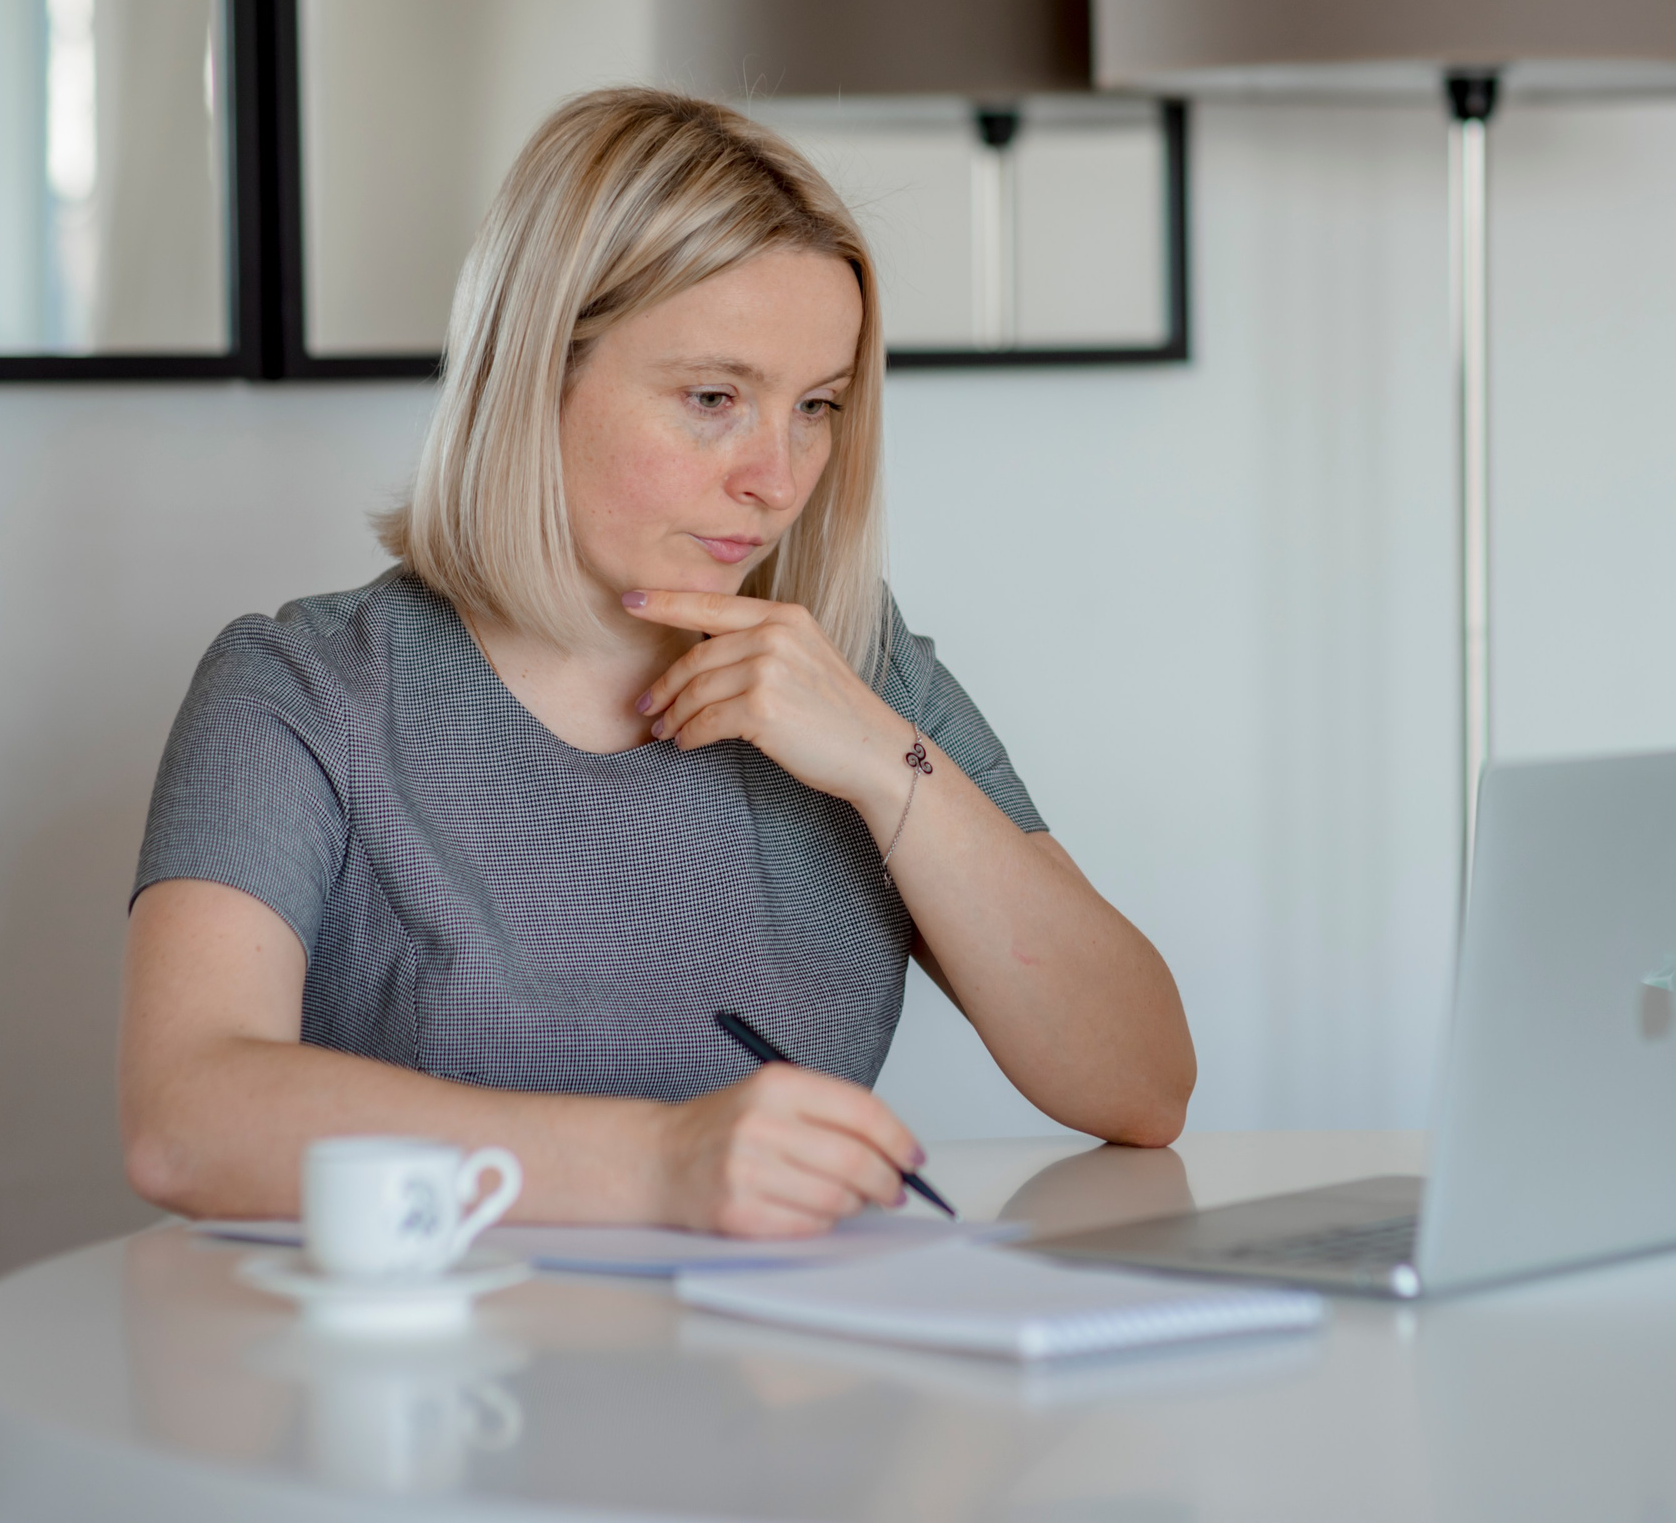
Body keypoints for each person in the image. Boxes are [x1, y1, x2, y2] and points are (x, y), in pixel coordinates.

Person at [119, 88, 1194, 1236]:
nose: (777, 479)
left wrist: (888, 764)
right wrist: (658, 1162)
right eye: (714, 398)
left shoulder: (856, 674)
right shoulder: (305, 690)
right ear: (537, 373)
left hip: (781, 1383)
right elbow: (185, 1116)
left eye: (817, 406)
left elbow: (1140, 1082)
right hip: (432, 1395)